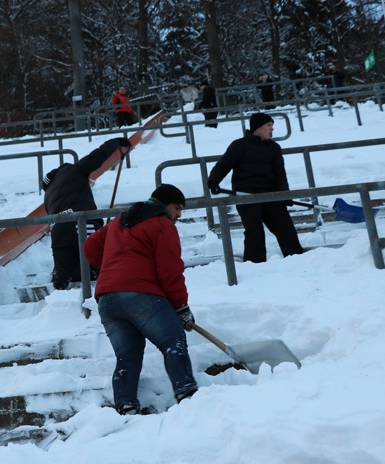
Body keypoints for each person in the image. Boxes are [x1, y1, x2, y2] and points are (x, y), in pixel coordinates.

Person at [83, 184, 198, 415]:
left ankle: (125, 406)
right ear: (164, 205)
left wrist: (111, 269)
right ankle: (188, 394)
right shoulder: (162, 224)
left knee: (128, 356)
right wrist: (181, 307)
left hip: (107, 300)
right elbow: (170, 270)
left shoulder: (119, 221)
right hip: (139, 295)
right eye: (177, 208)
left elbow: (90, 246)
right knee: (173, 341)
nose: (179, 215)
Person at [207, 112, 304, 263]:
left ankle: (298, 262)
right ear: (257, 128)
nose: (272, 129)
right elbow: (223, 165)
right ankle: (254, 266)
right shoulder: (239, 145)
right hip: (246, 196)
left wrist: (284, 195)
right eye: (269, 125)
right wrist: (213, 181)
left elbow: (280, 175)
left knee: (285, 229)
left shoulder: (274, 148)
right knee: (255, 233)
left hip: (271, 196)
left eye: (272, 126)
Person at [42, 137, 131, 289]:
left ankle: (58, 300)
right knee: (97, 263)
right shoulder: (73, 171)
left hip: (59, 230)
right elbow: (97, 156)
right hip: (82, 223)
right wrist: (116, 143)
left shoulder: (48, 194)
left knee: (63, 274)